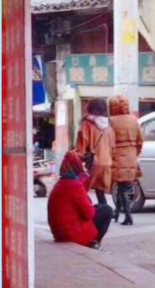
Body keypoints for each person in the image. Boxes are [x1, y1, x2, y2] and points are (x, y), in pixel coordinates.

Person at [47, 151, 114, 249]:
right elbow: (89, 213)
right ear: (77, 167)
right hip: (70, 234)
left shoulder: (62, 183)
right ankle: (94, 243)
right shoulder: (74, 185)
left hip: (59, 233)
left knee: (99, 207)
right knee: (107, 210)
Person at [108, 95, 144, 226]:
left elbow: (108, 141)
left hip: (117, 156)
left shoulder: (111, 121)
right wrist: (135, 152)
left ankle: (128, 215)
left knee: (121, 186)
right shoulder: (134, 120)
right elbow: (140, 140)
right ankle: (117, 213)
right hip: (131, 155)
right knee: (122, 185)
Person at [76, 98, 115, 206]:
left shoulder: (86, 124)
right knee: (100, 192)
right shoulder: (109, 126)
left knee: (82, 190)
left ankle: (83, 213)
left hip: (92, 163)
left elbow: (81, 146)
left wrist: (78, 159)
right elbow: (112, 146)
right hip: (107, 163)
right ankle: (104, 216)